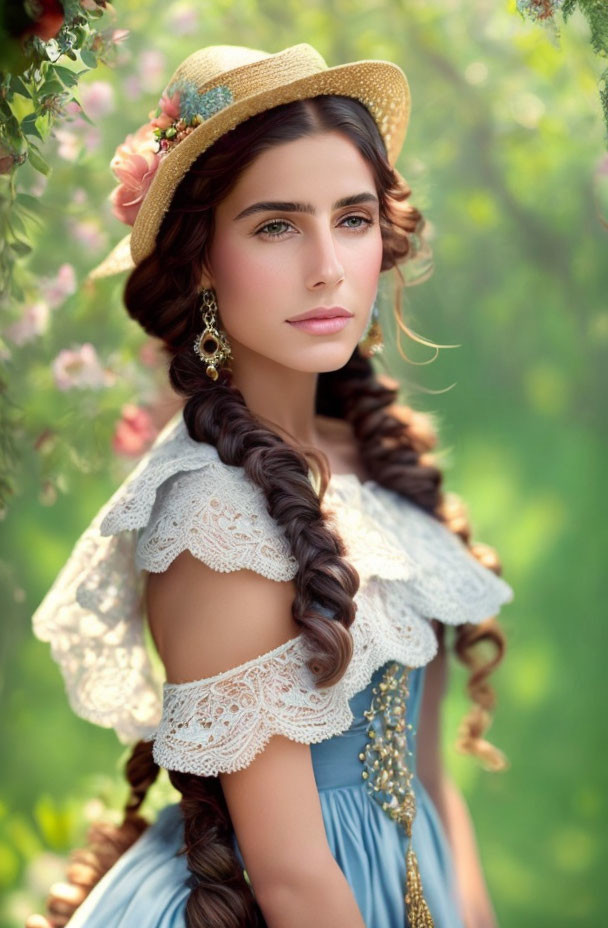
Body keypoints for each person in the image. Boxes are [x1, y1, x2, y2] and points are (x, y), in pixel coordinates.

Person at [26, 42, 515, 928]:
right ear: (202, 259)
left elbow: (432, 780)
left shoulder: (359, 449)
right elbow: (291, 880)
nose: (328, 266)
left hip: (410, 887)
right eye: (277, 225)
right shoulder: (216, 518)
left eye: (354, 219)